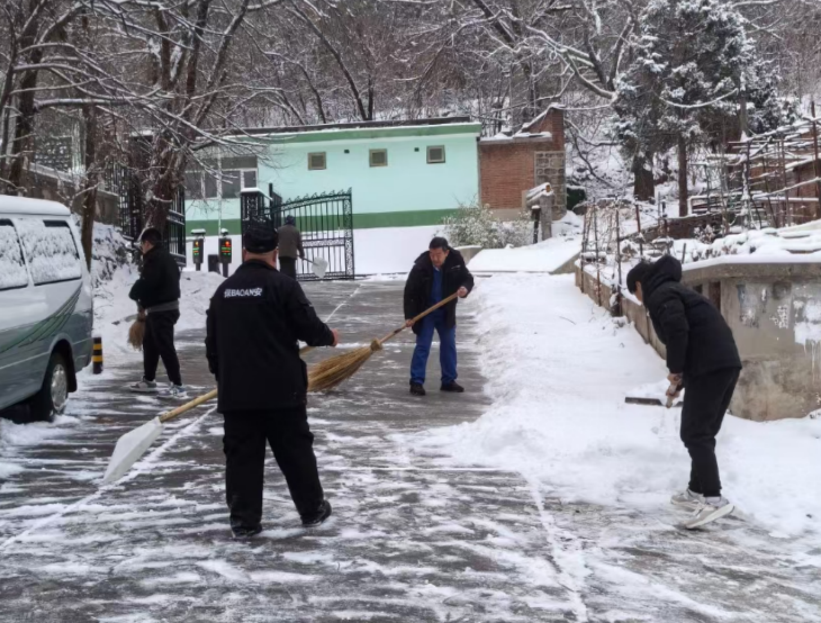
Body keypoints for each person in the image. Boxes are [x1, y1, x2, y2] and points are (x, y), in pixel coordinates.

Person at [205, 220, 340, 538]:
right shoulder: (283, 287)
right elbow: (308, 327)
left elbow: (212, 347)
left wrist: (224, 377)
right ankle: (312, 510)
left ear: (244, 251)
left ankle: (244, 520)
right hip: (282, 391)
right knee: (295, 452)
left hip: (238, 394)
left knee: (241, 457)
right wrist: (329, 337)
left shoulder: (223, 293)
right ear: (276, 253)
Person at [627, 255, 742, 529]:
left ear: (640, 284)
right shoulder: (676, 291)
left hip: (710, 366)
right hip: (723, 363)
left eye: (635, 292)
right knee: (703, 432)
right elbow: (696, 336)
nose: (639, 300)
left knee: (694, 433)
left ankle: (714, 499)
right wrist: (679, 383)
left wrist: (675, 370)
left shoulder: (661, 294)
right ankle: (696, 491)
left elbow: (679, 332)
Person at [404, 237, 474, 396]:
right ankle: (416, 381)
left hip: (445, 310)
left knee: (449, 344)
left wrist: (464, 288)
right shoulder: (421, 266)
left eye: (438, 254)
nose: (434, 258)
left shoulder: (455, 260)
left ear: (446, 252)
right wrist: (409, 316)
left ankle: (448, 381)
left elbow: (467, 278)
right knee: (423, 346)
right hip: (425, 312)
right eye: (432, 254)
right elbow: (409, 292)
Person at [128, 227, 185, 398]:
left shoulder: (153, 259)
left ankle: (177, 384)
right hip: (165, 308)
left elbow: (147, 282)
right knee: (150, 344)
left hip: (162, 310)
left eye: (142, 244)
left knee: (165, 346)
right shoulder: (167, 258)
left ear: (147, 243)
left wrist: (135, 294)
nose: (141, 248)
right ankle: (149, 380)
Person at [277, 215, 305, 280]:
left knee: (283, 269)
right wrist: (302, 254)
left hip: (282, 254)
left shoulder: (280, 230)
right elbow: (299, 244)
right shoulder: (296, 231)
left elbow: (276, 240)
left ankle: (282, 284)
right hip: (291, 255)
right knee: (291, 271)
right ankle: (292, 285)